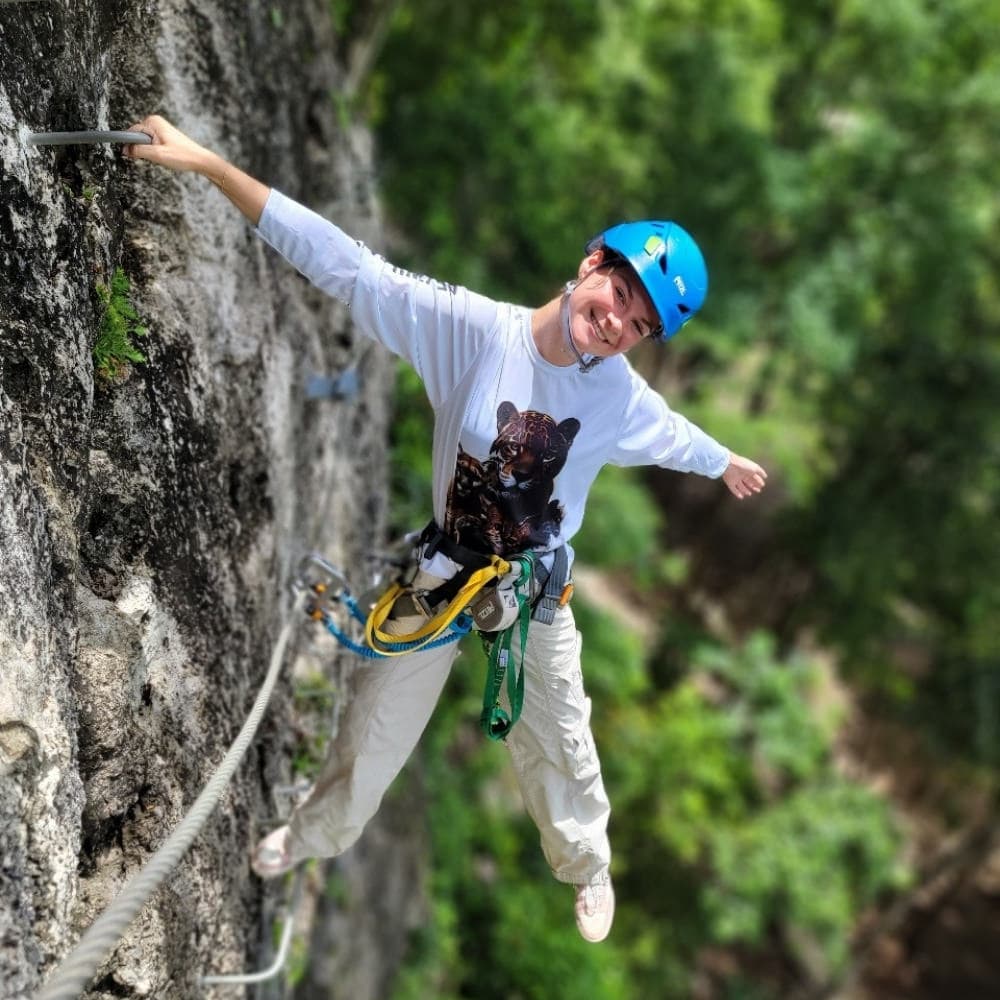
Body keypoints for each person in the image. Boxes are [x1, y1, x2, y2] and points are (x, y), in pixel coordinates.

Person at [124, 115, 767, 944]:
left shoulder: (618, 399)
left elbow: (676, 434)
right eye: (621, 295)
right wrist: (211, 164)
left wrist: (724, 463)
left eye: (641, 324)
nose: (618, 325)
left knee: (563, 736)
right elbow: (349, 269)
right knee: (371, 736)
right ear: (591, 265)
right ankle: (308, 838)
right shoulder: (471, 331)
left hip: (533, 590)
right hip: (442, 575)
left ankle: (587, 865)